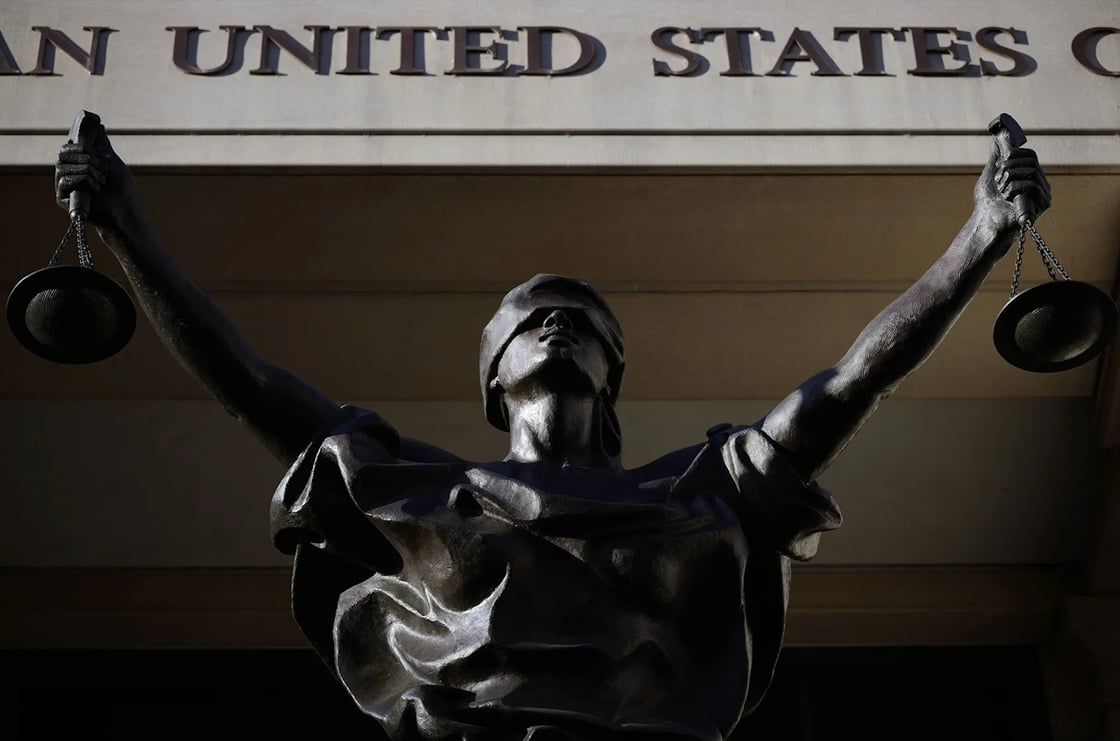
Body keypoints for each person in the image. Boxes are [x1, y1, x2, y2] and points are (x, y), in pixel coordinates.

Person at [55, 124, 1049, 741]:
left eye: (580, 315)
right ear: (492, 377)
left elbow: (849, 382)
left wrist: (980, 238)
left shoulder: (702, 492)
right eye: (530, 317)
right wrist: (128, 233)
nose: (557, 319)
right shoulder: (415, 490)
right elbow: (249, 383)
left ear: (615, 366)